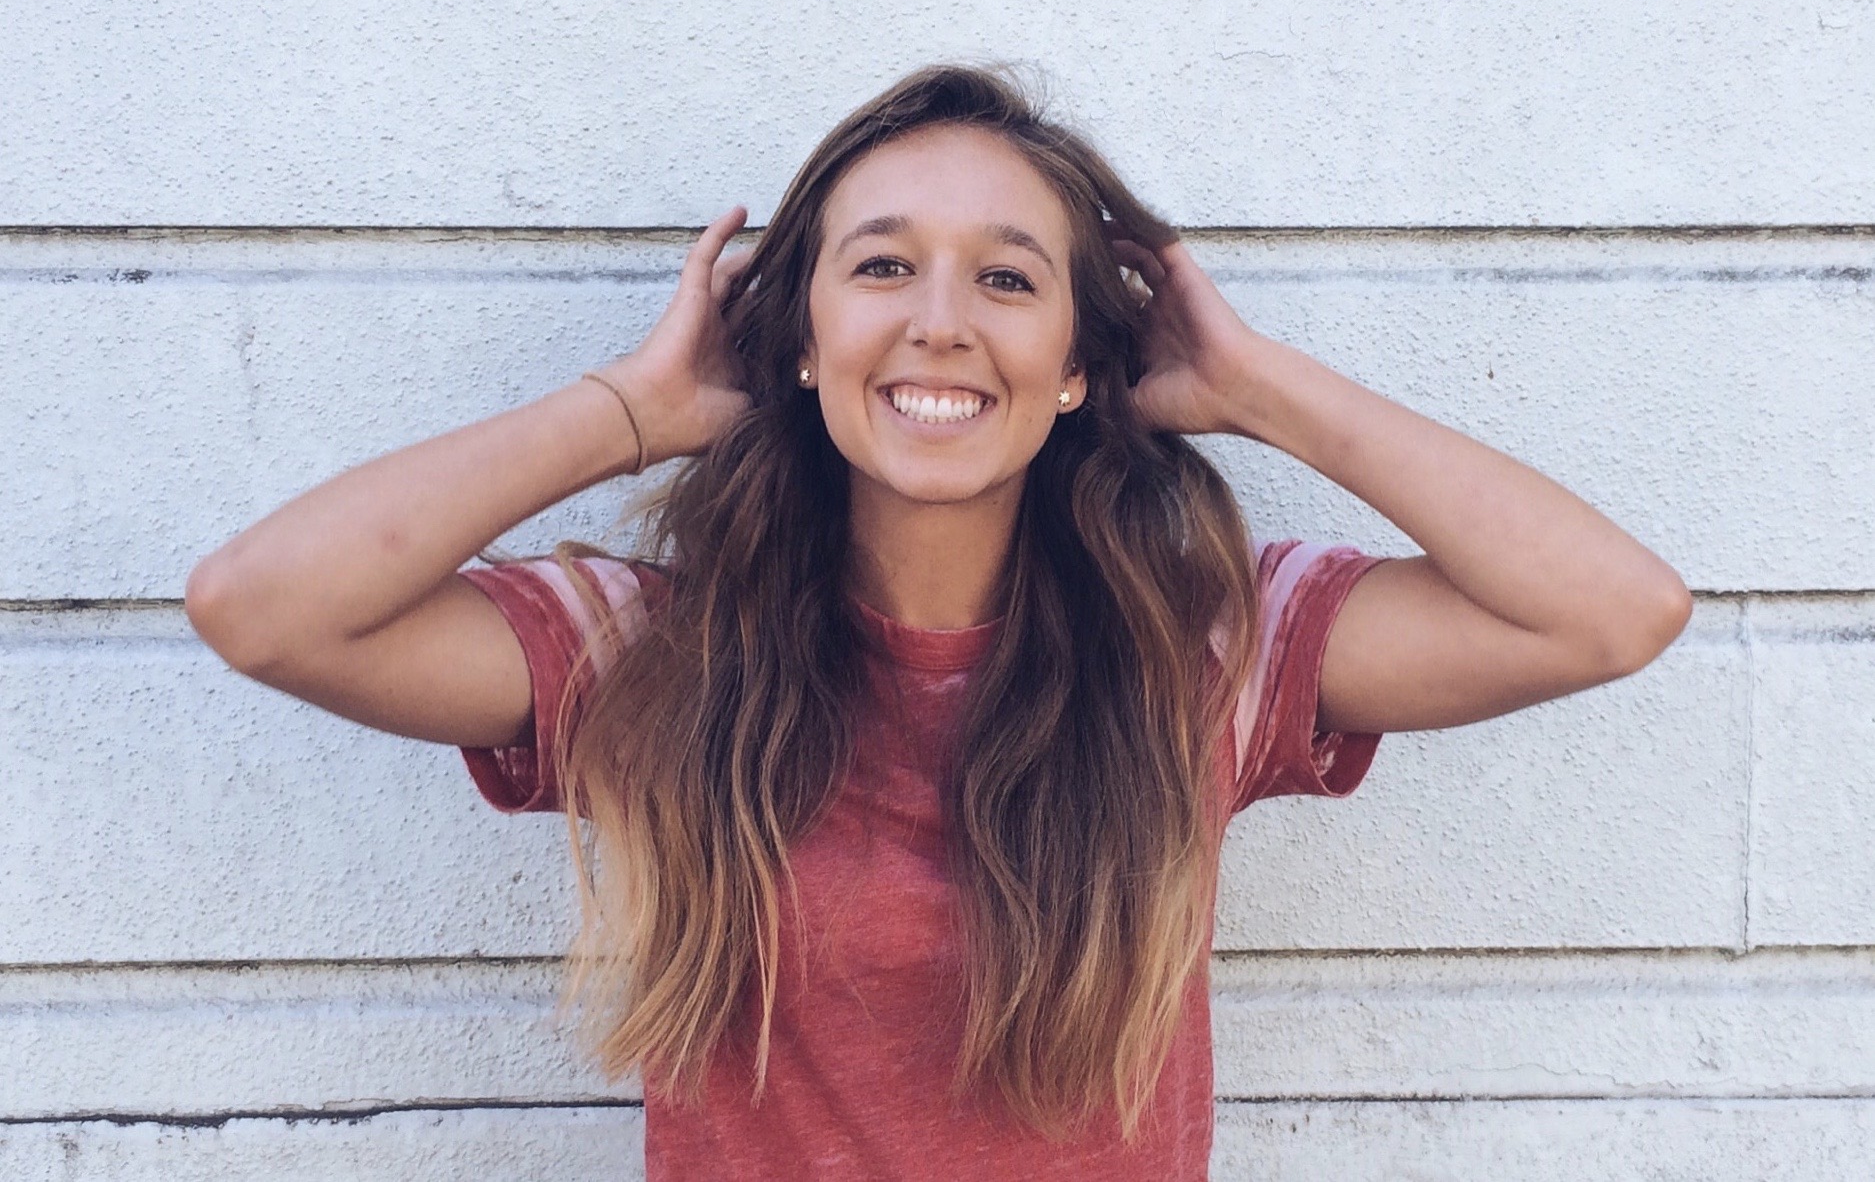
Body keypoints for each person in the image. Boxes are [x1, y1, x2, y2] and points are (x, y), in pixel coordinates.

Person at [185, 65, 1691, 1180]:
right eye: (884, 264)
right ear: (802, 329)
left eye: (1010, 278)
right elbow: (260, 608)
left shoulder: (1197, 657)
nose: (942, 320)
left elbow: (1614, 611)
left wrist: (1257, 387)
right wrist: (632, 413)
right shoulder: (650, 656)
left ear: (1084, 357)